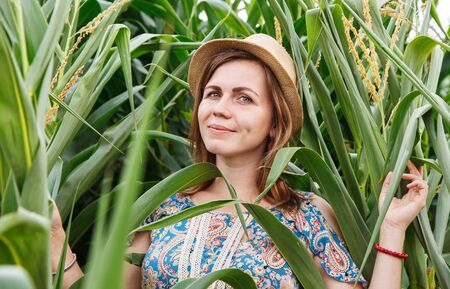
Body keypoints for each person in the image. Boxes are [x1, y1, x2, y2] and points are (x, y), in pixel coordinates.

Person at [51, 34, 428, 289]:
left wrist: (392, 228)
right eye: (213, 94)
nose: (220, 109)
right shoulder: (164, 207)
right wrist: (57, 244)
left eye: (244, 98)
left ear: (274, 121)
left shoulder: (308, 216)